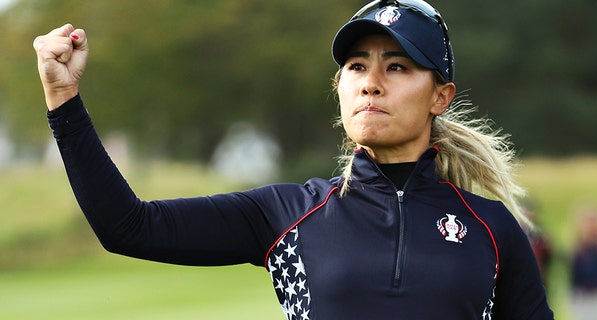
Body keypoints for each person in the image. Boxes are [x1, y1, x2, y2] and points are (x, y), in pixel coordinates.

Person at [33, 0, 553, 319]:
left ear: (440, 97)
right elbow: (129, 227)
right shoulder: (289, 215)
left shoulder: (491, 228)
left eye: (397, 66)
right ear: (341, 88)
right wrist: (64, 101)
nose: (371, 81)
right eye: (356, 66)